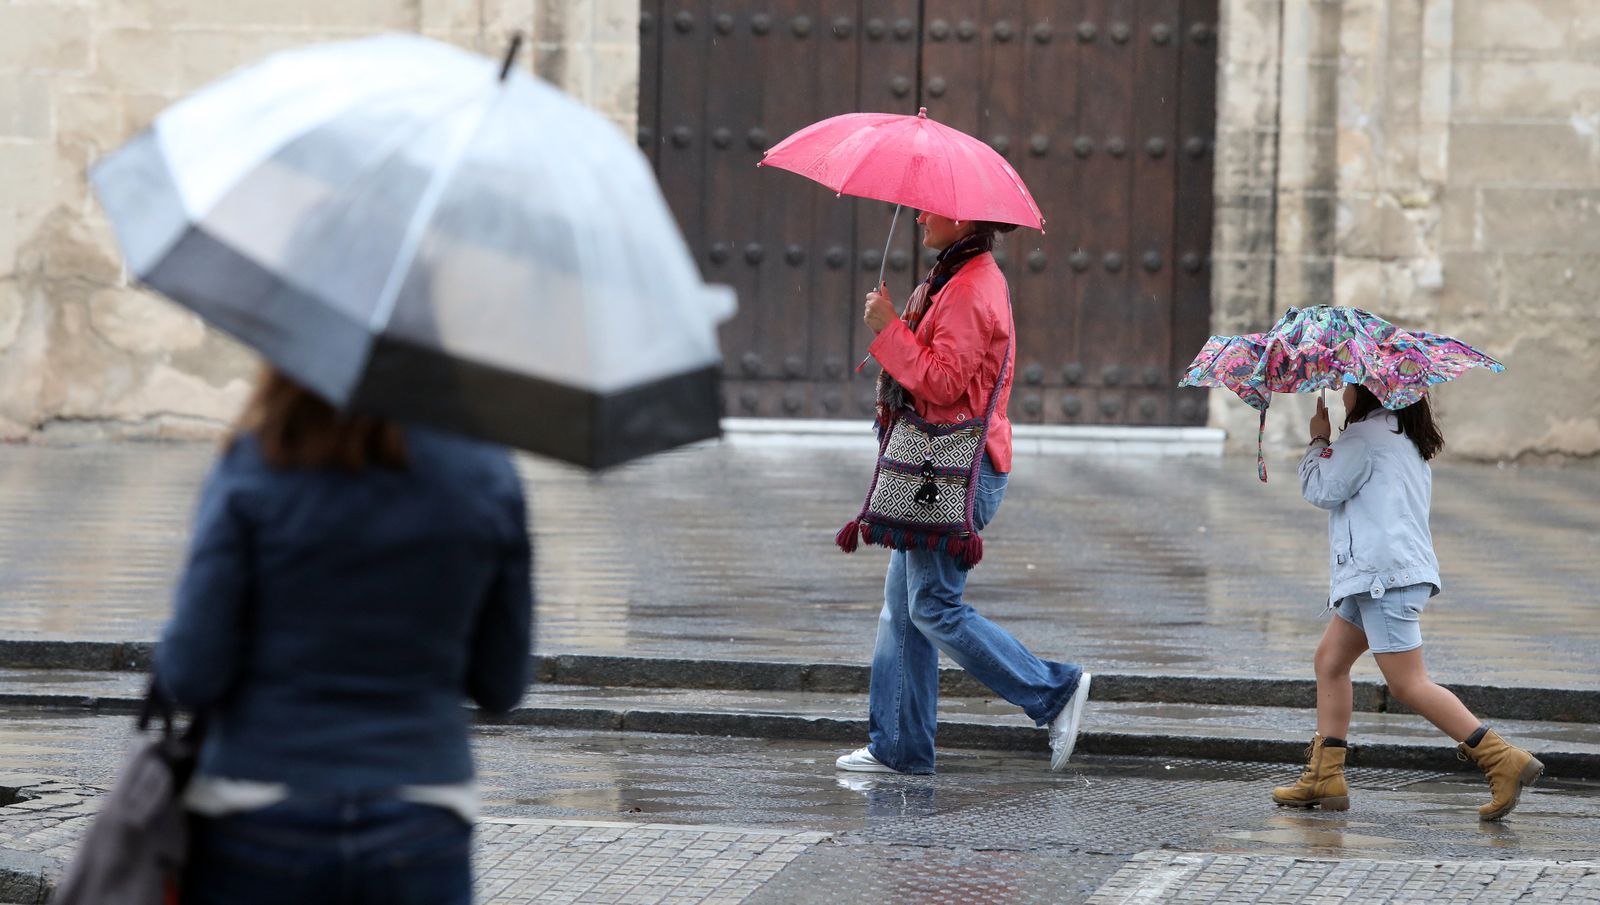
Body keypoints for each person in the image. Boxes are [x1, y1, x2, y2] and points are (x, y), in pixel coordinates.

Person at [156, 367, 533, 904]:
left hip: (259, 803)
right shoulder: (486, 474)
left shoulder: (257, 464)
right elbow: (502, 684)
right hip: (423, 808)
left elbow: (192, 674)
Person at [834, 211, 1090, 775]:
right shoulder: (952, 276)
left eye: (931, 209)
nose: (920, 215)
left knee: (932, 607)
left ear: (964, 218)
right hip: (934, 470)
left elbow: (945, 383)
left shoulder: (972, 287)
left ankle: (1053, 690)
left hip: (956, 473)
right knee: (903, 614)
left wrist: (889, 331)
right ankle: (898, 748)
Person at [1272, 384, 1542, 820]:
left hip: (1384, 579)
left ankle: (1501, 759)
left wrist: (1319, 439)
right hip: (1377, 576)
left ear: (1368, 392)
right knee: (1330, 662)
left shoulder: (1364, 437)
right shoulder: (1399, 432)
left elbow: (1322, 489)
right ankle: (1325, 776)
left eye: (1349, 386)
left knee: (1408, 683)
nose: (1342, 394)